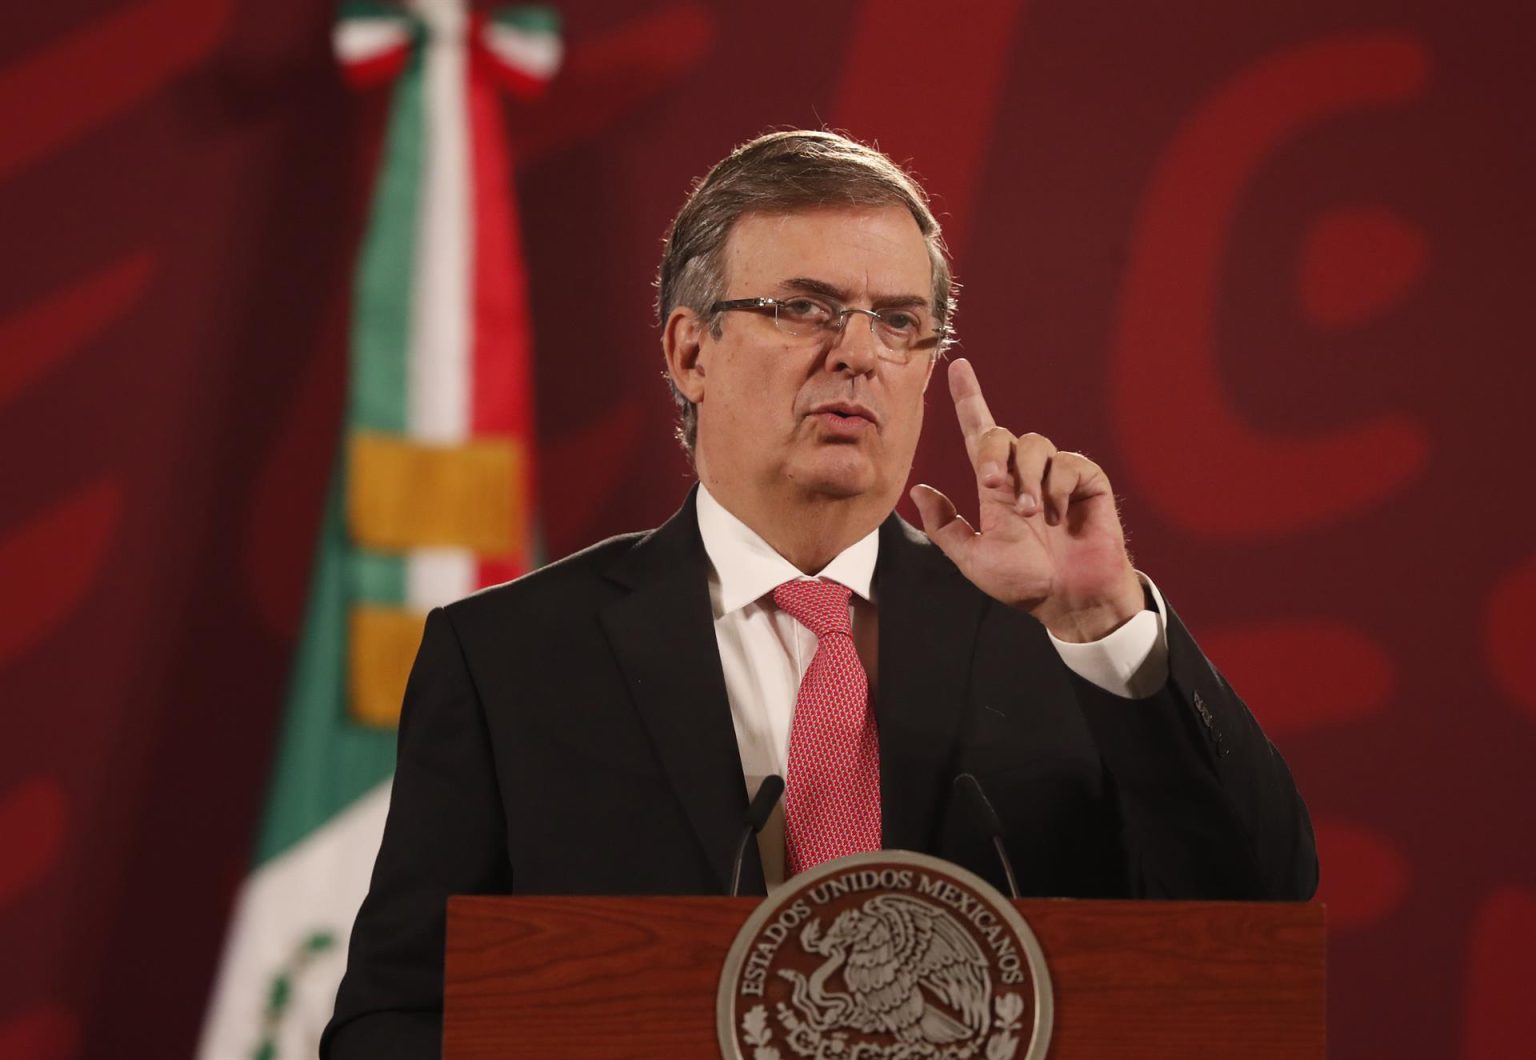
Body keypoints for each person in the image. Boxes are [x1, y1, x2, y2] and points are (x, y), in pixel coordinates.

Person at [321, 130, 1317, 1058]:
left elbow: (1255, 910)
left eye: (899, 322)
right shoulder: (511, 656)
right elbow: (397, 1019)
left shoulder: (1054, 638)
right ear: (689, 351)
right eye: (804, 306)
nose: (858, 352)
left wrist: (1105, 625)